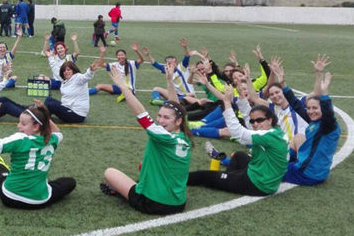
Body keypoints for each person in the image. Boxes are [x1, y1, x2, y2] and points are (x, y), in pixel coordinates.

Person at [100, 64, 192, 215]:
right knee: (144, 166)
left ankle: (121, 193)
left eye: (166, 118)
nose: (161, 121)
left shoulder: (164, 136)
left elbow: (142, 114)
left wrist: (124, 87)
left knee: (110, 172)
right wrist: (169, 81)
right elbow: (177, 108)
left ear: (177, 121)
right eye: (160, 115)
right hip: (178, 203)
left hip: (153, 203)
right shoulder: (184, 135)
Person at [187, 84, 288, 196]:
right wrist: (241, 98)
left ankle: (181, 180)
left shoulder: (267, 136)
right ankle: (228, 179)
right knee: (239, 156)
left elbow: (237, 132)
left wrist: (226, 102)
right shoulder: (275, 130)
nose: (255, 124)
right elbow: (249, 121)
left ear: (270, 120)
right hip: (266, 179)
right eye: (253, 121)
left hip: (258, 185)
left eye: (259, 120)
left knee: (205, 176)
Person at [0, 95, 76, 209]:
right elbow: (58, 133)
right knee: (70, 182)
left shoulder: (21, 139)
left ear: (36, 127)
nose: (18, 126)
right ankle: (35, 185)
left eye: (23, 124)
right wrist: (45, 114)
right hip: (39, 201)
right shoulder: (52, 139)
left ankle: (0, 165)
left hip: (10, 198)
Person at [282, 55, 340, 185]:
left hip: (307, 174)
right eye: (309, 108)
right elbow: (296, 104)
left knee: (268, 168)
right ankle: (287, 160)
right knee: (298, 137)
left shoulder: (329, 125)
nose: (310, 111)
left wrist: (325, 93)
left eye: (315, 108)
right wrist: (283, 84)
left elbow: (329, 113)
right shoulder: (317, 122)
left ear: (323, 108)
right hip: (315, 171)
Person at [43, 46, 104, 123]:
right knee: (49, 100)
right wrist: (50, 57)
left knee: (50, 105)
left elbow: (85, 77)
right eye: (64, 70)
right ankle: (43, 116)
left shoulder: (77, 78)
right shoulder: (65, 80)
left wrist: (91, 71)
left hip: (77, 115)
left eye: (68, 70)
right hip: (67, 108)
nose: (66, 72)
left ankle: (44, 119)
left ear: (73, 70)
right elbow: (55, 70)